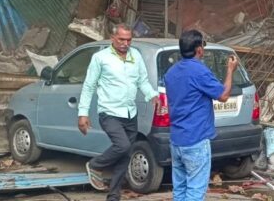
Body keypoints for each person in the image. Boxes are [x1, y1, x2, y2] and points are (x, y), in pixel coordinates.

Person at [78, 24, 159, 201]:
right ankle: (94, 165)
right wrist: (83, 113)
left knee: (125, 154)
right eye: (121, 39)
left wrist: (152, 95)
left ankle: (114, 195)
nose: (125, 43)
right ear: (112, 38)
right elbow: (89, 86)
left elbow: (143, 81)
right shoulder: (100, 58)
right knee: (122, 146)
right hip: (109, 112)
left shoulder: (135, 55)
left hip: (130, 113)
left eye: (128, 40)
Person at [164, 30, 238, 201]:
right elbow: (223, 95)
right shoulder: (199, 71)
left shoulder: (171, 73)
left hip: (176, 140)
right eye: (203, 45)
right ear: (199, 50)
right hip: (196, 140)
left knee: (180, 190)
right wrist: (230, 70)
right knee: (195, 193)